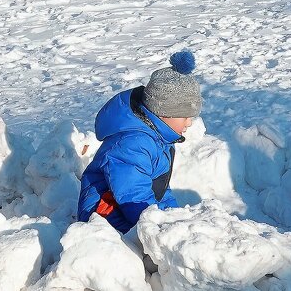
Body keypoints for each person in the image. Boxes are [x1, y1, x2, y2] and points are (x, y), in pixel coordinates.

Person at [77, 50, 201, 233]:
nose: (189, 123)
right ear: (165, 112)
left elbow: (159, 189)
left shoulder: (158, 137)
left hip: (130, 208)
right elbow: (132, 195)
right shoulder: (133, 143)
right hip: (105, 213)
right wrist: (157, 231)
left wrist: (175, 218)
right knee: (148, 254)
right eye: (185, 117)